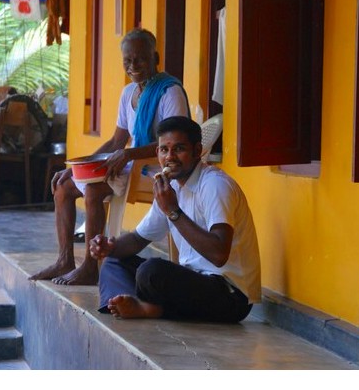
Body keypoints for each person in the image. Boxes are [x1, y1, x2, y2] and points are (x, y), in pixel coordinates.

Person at [30, 28, 190, 285]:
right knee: (62, 186)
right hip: (130, 163)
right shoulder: (129, 93)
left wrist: (128, 154)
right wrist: (76, 166)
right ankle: (64, 260)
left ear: (155, 57)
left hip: (157, 170)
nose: (133, 65)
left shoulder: (169, 92)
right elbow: (117, 140)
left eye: (140, 59)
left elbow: (176, 145)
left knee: (93, 191)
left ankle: (91, 267)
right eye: (128, 60)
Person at [90, 116, 262, 322]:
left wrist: (173, 211)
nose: (170, 157)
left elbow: (219, 254)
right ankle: (121, 304)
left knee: (151, 271)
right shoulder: (169, 187)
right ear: (157, 153)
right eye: (164, 150)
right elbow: (138, 239)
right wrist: (109, 247)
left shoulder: (215, 185)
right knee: (114, 262)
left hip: (229, 296)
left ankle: (151, 309)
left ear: (197, 151)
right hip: (191, 282)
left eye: (179, 149)